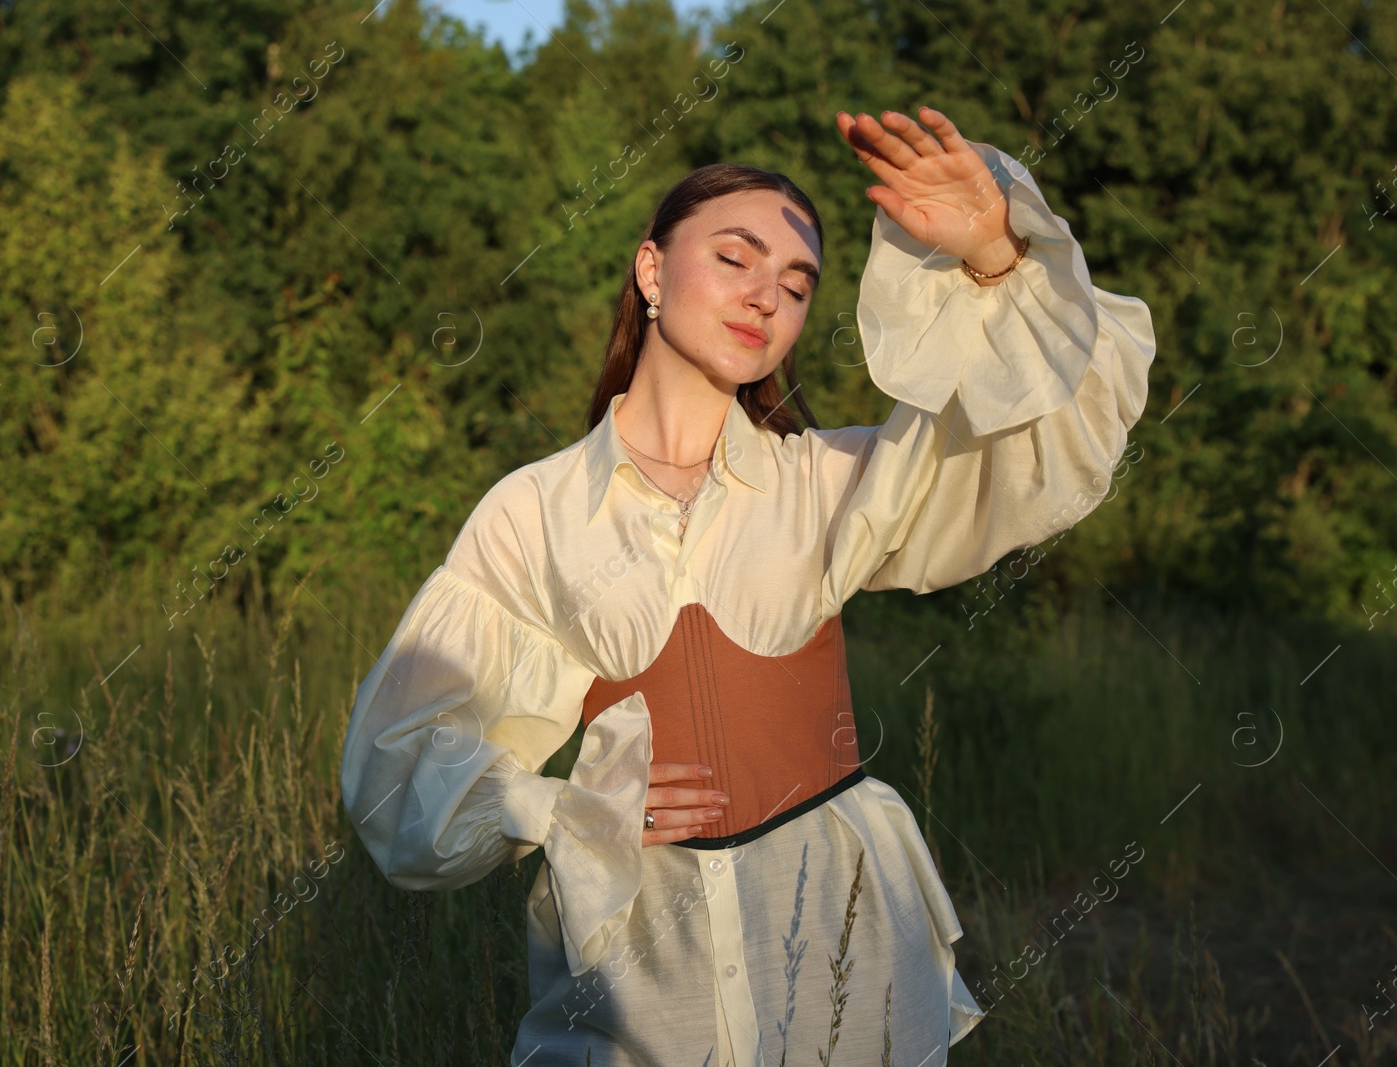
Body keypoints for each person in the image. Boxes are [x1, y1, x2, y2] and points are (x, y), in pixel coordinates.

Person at [340, 106, 1157, 1066]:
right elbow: (398, 760)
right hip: (639, 988)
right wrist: (562, 809)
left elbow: (1039, 446)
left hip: (838, 964)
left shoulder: (824, 484)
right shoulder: (537, 511)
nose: (766, 295)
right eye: (735, 258)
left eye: (797, 282)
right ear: (652, 270)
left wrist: (992, 254)